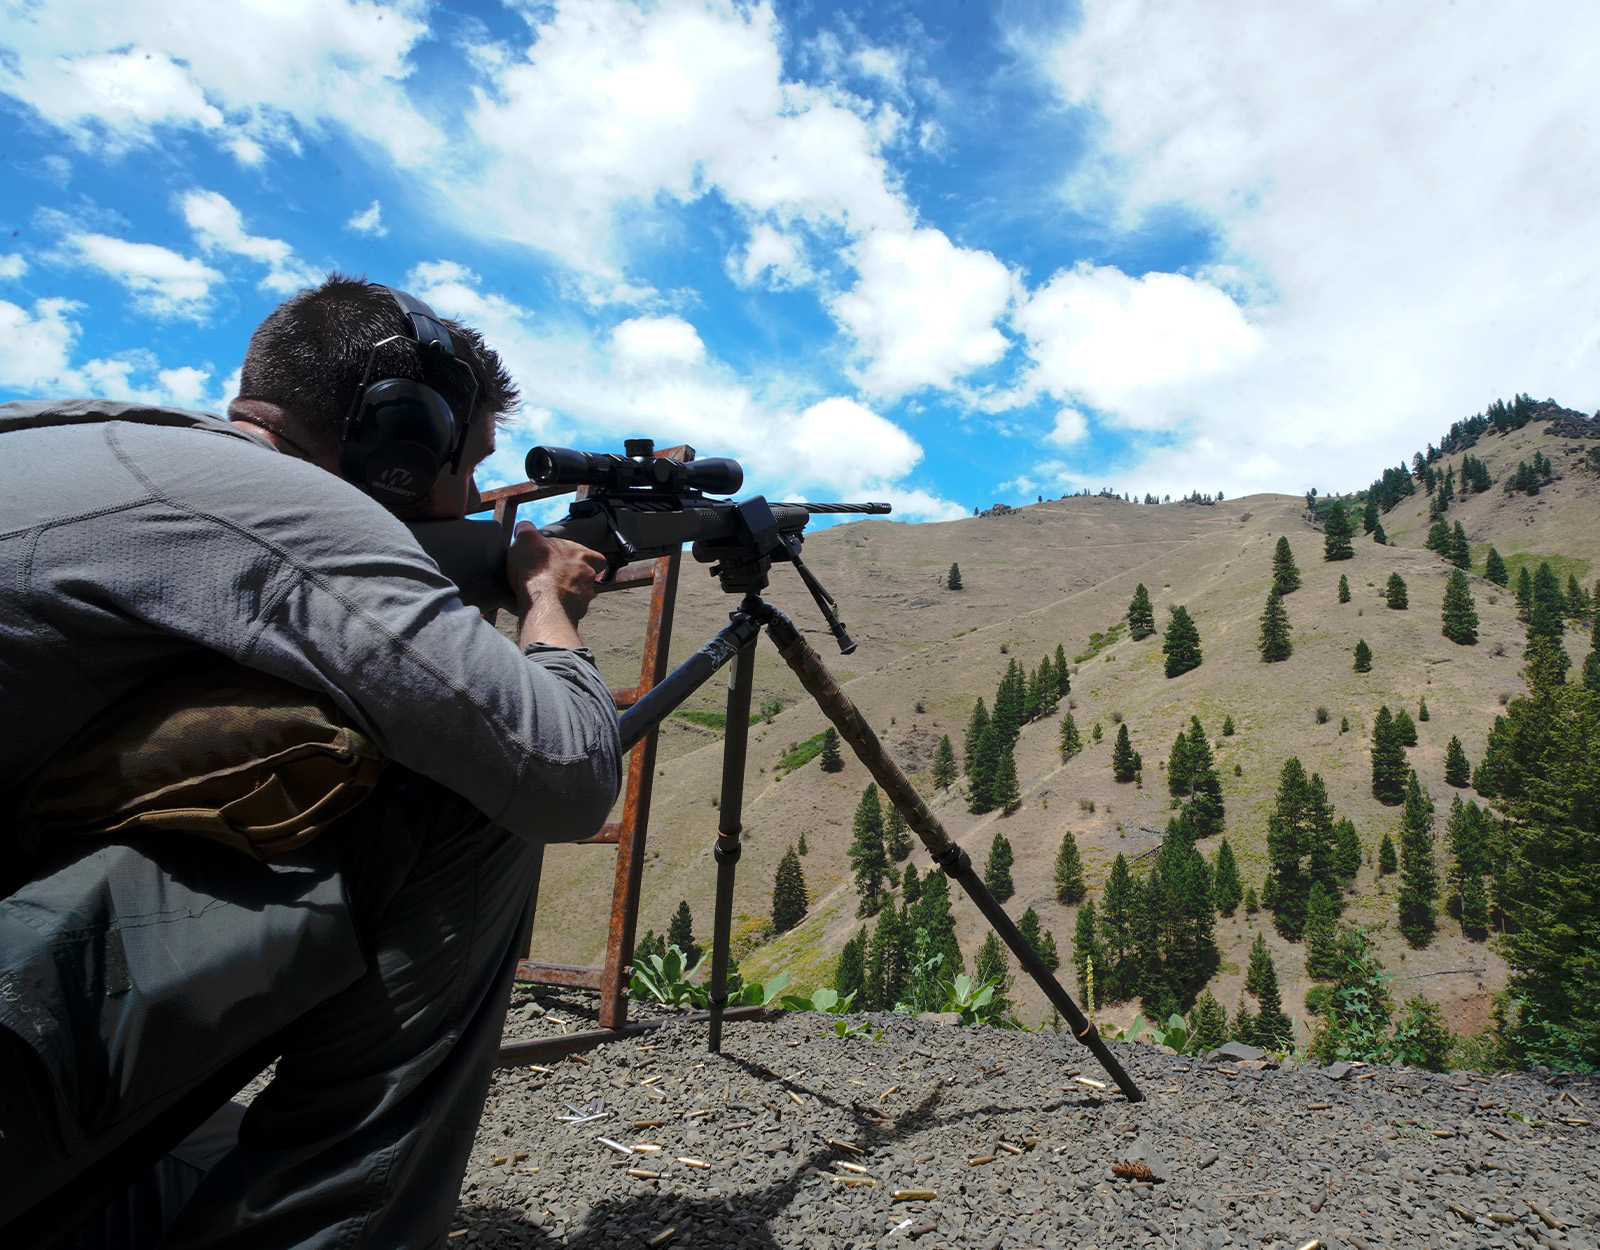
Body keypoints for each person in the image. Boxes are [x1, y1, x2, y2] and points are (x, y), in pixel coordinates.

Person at [0, 275, 621, 1246]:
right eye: (468, 466)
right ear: (401, 447)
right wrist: (546, 604)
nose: (470, 498)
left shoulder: (61, 436)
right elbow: (567, 770)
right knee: (466, 786)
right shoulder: (291, 513)